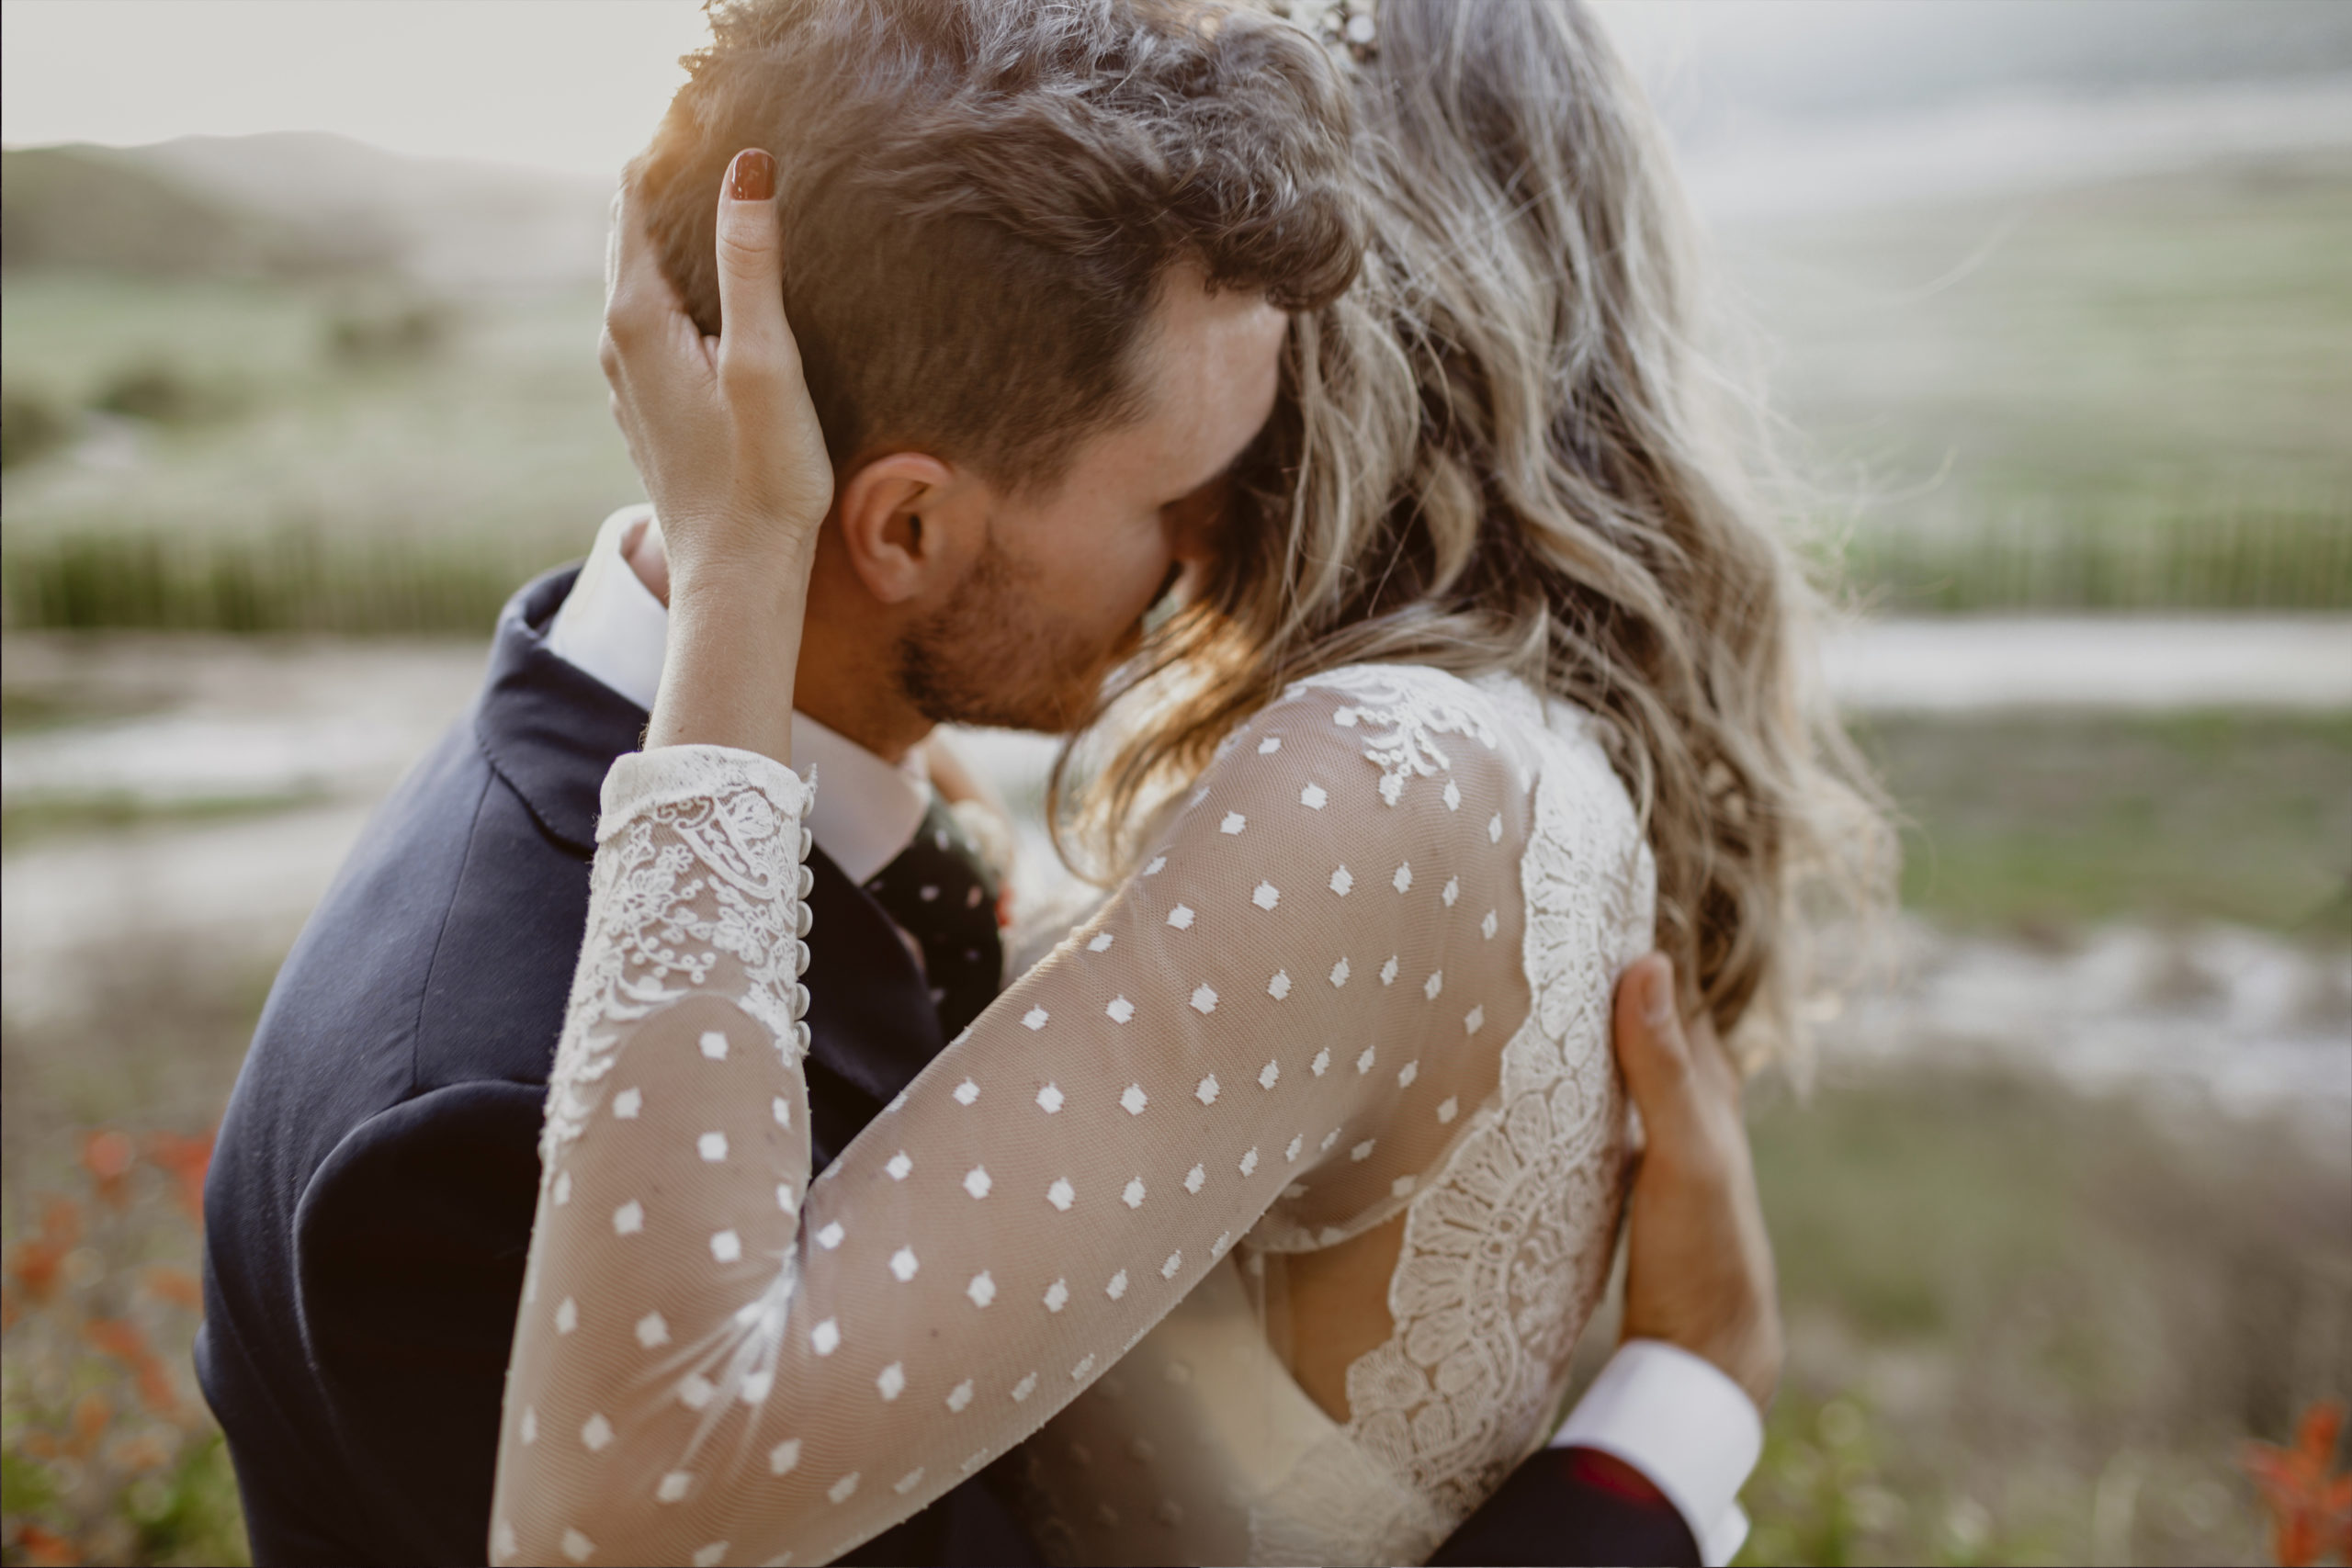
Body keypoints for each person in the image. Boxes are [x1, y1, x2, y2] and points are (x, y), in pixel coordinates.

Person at [192, 2, 1822, 1563]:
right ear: (905, 528)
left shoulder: (893, 781)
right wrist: (1663, 1444)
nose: (1214, 562)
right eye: (1181, 496)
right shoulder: (481, 1118)